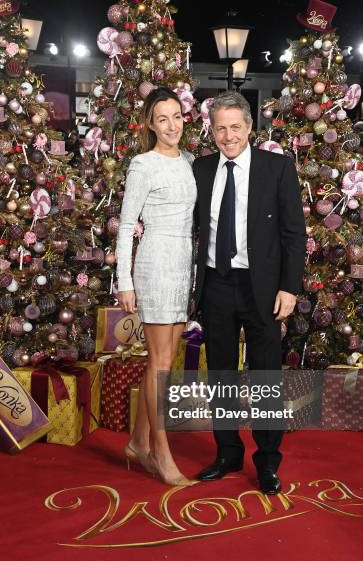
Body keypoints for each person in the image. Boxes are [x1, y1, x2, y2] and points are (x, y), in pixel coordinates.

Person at [192, 91, 306, 494]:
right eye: (220, 128)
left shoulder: (277, 168)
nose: (227, 136)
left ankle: (268, 462)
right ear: (212, 130)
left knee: (264, 378)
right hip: (216, 285)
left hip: (263, 288)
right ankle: (227, 453)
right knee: (220, 375)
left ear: (249, 128)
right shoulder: (201, 170)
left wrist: (290, 287)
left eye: (235, 127)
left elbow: (294, 233)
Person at [116, 87, 197, 487]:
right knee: (162, 363)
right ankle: (162, 455)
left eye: (177, 117)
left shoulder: (190, 161)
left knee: (164, 360)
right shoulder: (142, 165)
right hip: (154, 263)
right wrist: (124, 281)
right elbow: (127, 225)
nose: (171, 125)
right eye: (162, 118)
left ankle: (137, 442)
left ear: (185, 119)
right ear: (150, 124)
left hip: (184, 265)